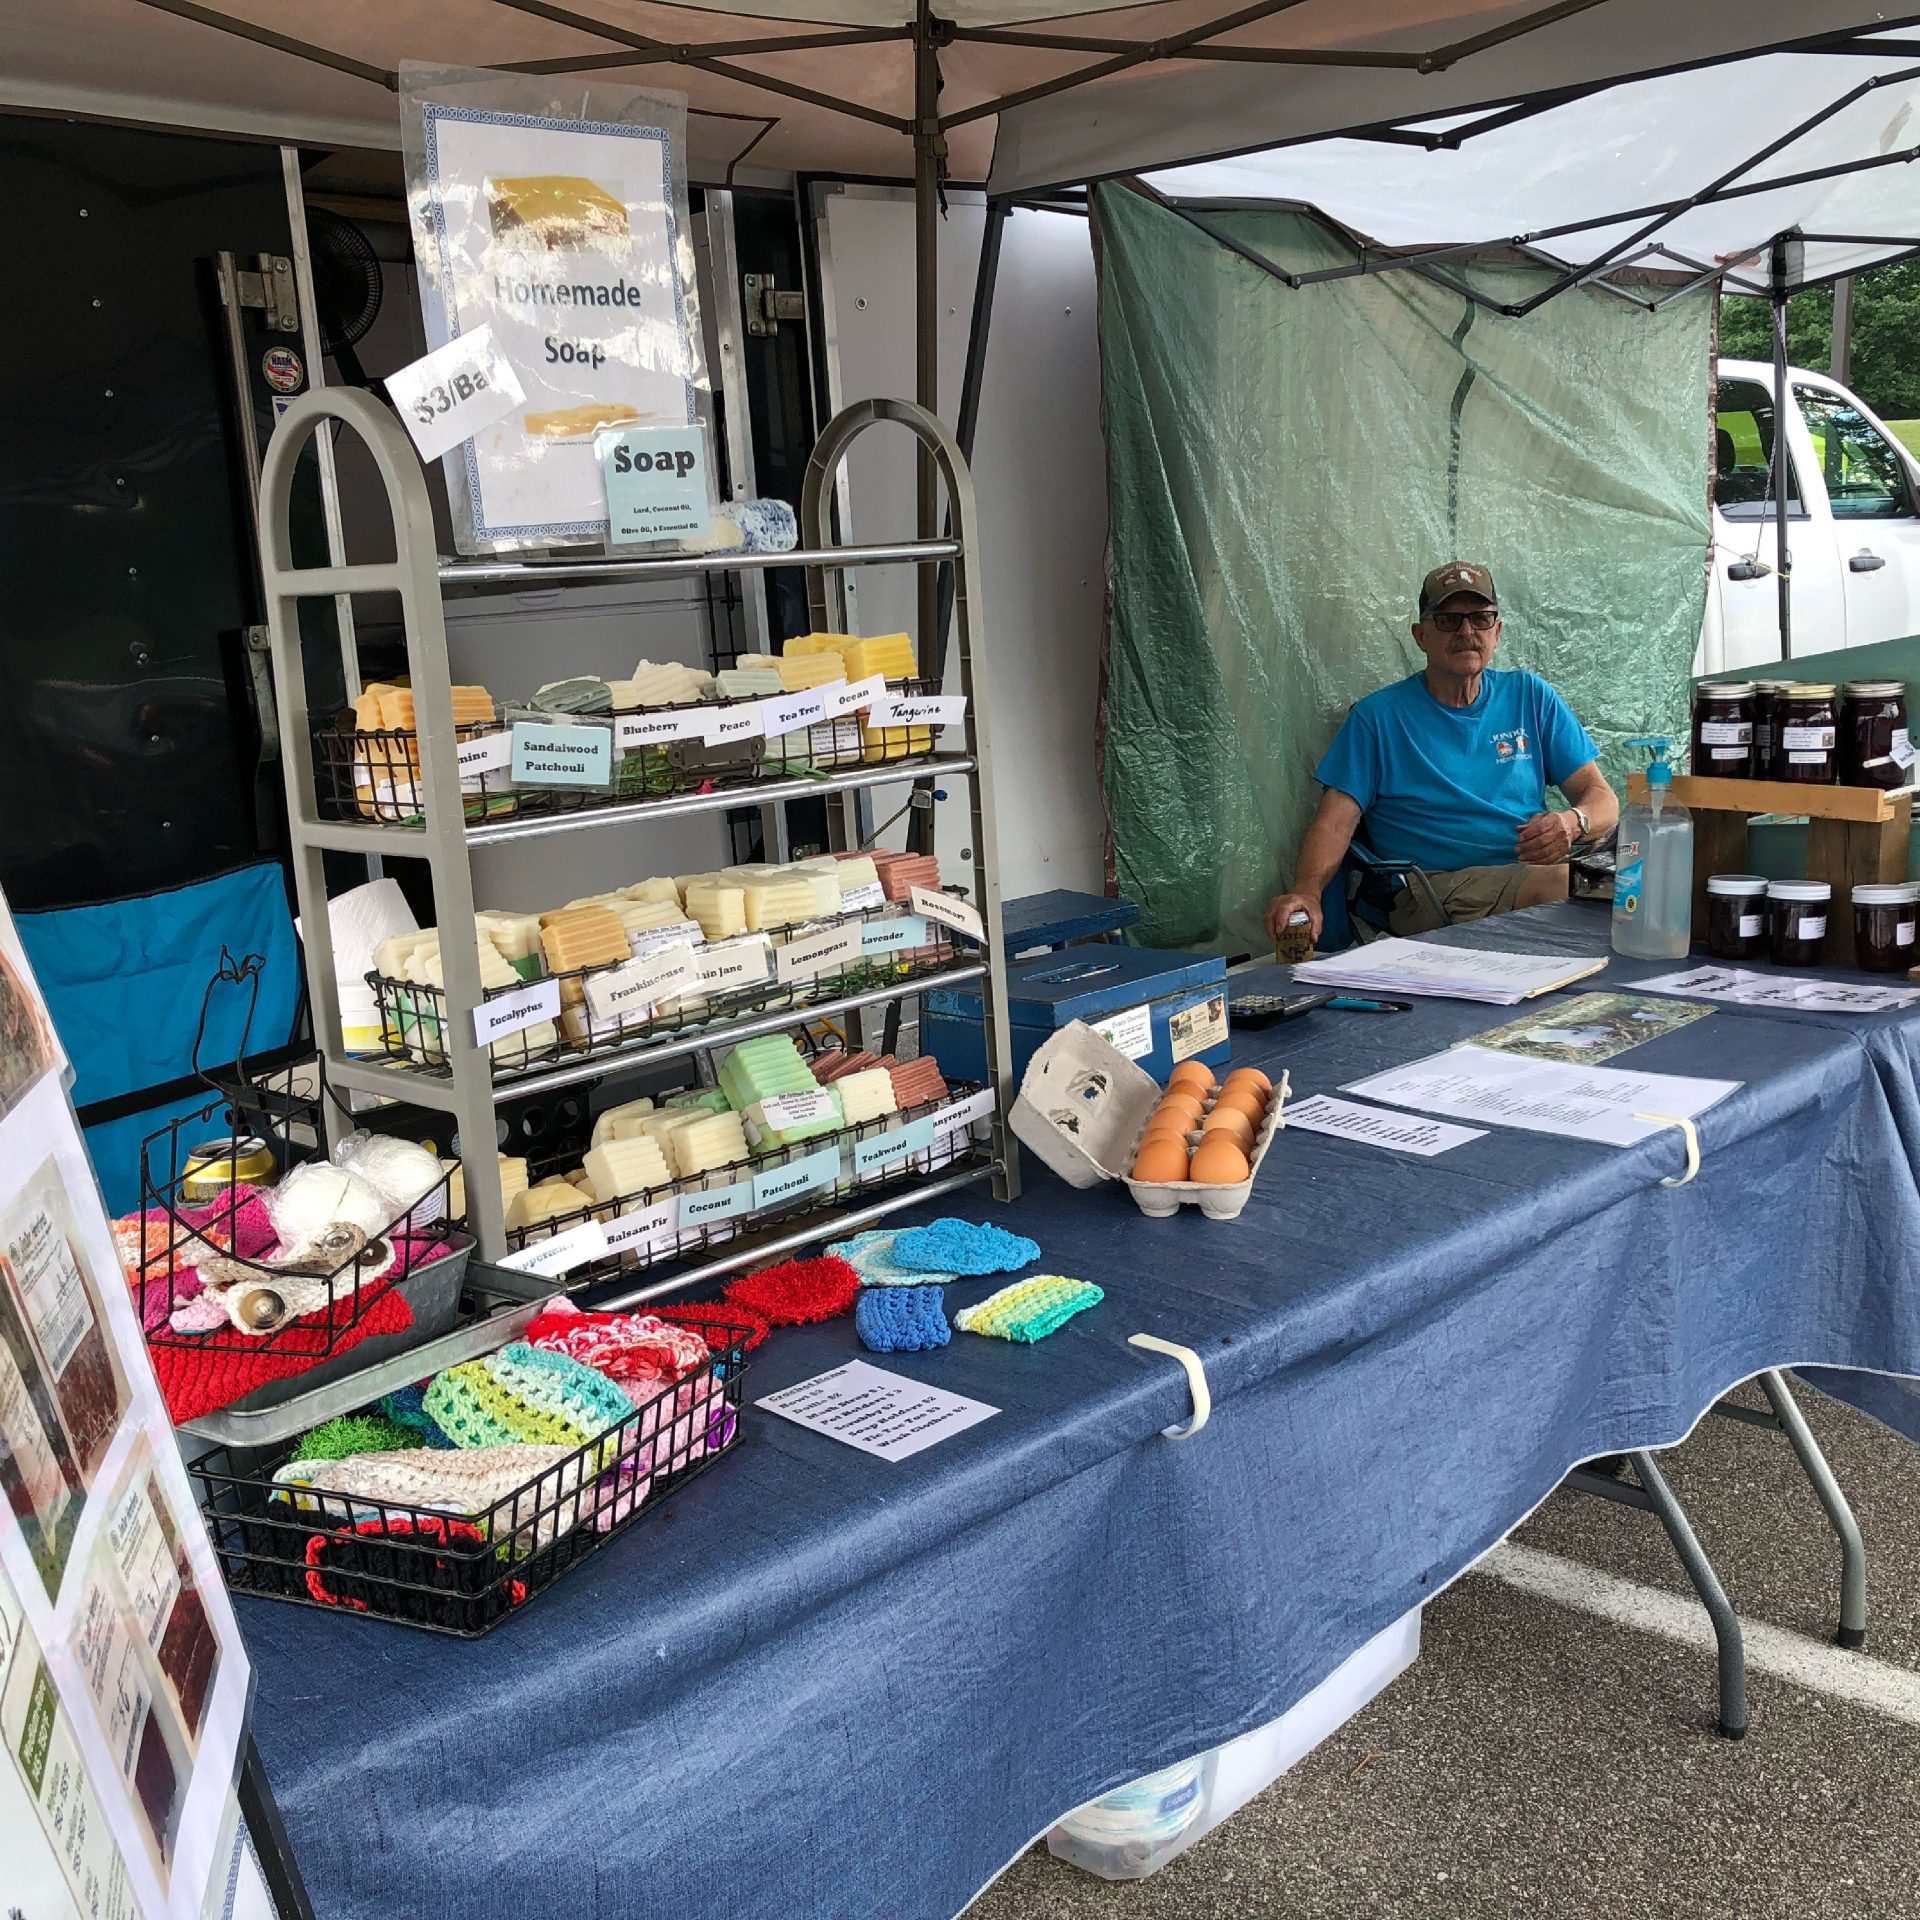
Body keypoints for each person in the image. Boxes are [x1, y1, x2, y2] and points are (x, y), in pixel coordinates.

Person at [1264, 562, 1618, 944]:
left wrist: (1571, 822)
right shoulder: (1378, 718)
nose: (1466, 632)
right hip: (1430, 890)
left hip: (1533, 872)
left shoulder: (1530, 696)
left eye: (1480, 618)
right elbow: (1333, 824)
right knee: (1572, 886)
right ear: (1421, 636)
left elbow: (1602, 799)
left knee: (1640, 876)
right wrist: (1307, 892)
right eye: (1448, 620)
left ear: (1497, 632)